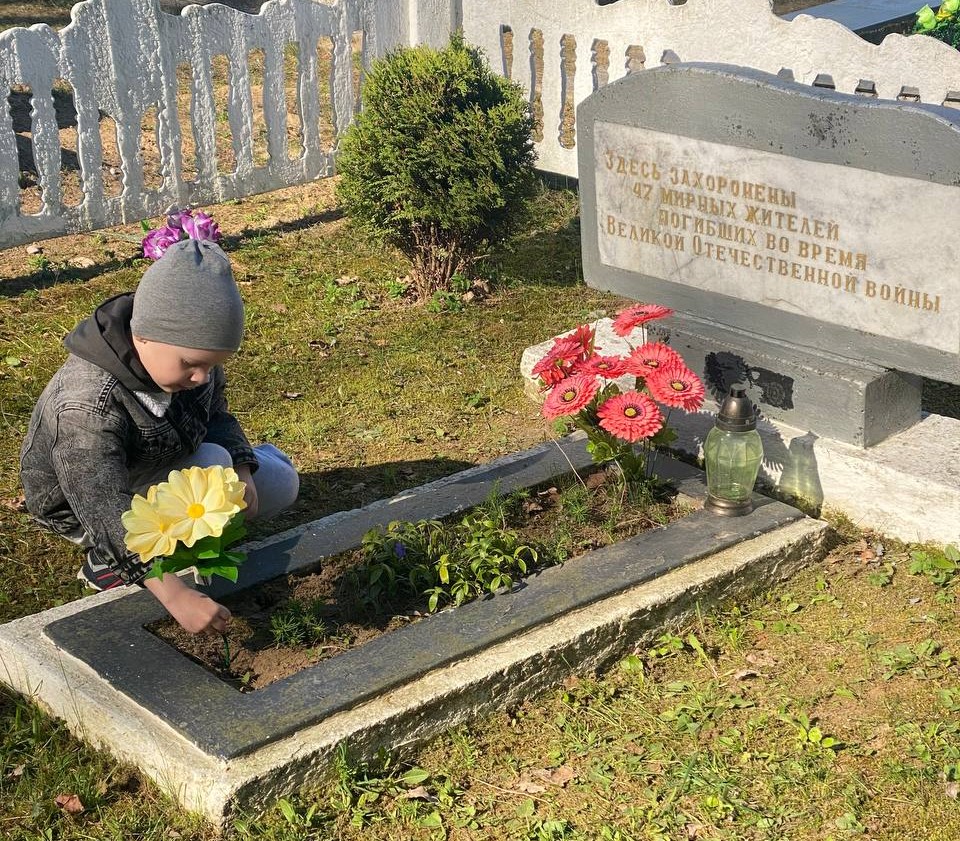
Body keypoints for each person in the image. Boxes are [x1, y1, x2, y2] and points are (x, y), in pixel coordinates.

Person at [19, 239, 299, 634]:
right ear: (145, 335)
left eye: (212, 366)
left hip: (165, 459)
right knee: (212, 464)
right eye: (192, 365)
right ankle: (106, 563)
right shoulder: (84, 405)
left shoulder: (188, 359)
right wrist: (176, 596)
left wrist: (243, 468)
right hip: (87, 505)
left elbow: (216, 414)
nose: (201, 377)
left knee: (279, 481)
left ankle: (186, 533)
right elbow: (102, 505)